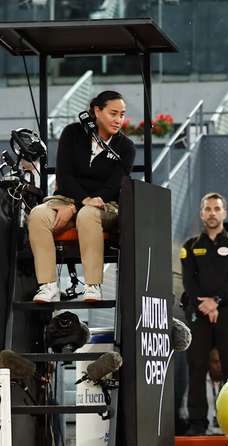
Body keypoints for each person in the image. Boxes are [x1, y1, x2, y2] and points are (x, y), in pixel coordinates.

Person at [28, 90, 135, 303]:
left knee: (88, 215)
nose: (119, 120)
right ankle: (48, 286)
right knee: (38, 215)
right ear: (97, 111)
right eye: (113, 113)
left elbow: (114, 186)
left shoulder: (126, 147)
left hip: (105, 204)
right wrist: (78, 203)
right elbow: (64, 175)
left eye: (122, 115)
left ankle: (92, 285)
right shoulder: (72, 133)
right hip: (68, 200)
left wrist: (78, 207)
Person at [181, 192, 228, 435]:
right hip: (198, 312)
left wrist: (216, 301)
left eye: (216, 209)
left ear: (224, 213)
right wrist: (205, 304)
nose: (212, 213)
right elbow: (189, 281)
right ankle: (198, 423)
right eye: (207, 209)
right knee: (196, 366)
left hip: (227, 312)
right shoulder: (190, 246)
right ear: (201, 213)